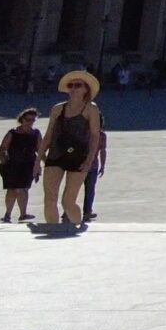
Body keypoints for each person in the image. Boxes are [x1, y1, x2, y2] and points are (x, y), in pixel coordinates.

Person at [39, 70, 104, 229]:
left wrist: (89, 160)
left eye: (78, 85)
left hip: (79, 156)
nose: (73, 88)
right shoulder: (57, 109)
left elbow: (95, 136)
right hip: (56, 154)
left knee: (68, 201)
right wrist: (38, 158)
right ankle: (53, 230)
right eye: (71, 85)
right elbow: (48, 135)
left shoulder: (91, 109)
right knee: (49, 198)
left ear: (85, 89)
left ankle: (77, 227)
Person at [0, 108, 40, 222]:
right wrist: (2, 159)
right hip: (11, 166)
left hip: (28, 165)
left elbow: (40, 151)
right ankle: (7, 214)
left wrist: (40, 165)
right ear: (22, 119)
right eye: (28, 119)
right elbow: (3, 148)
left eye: (32, 120)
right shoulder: (13, 133)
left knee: (23, 189)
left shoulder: (35, 133)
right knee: (12, 190)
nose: (30, 122)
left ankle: (23, 213)